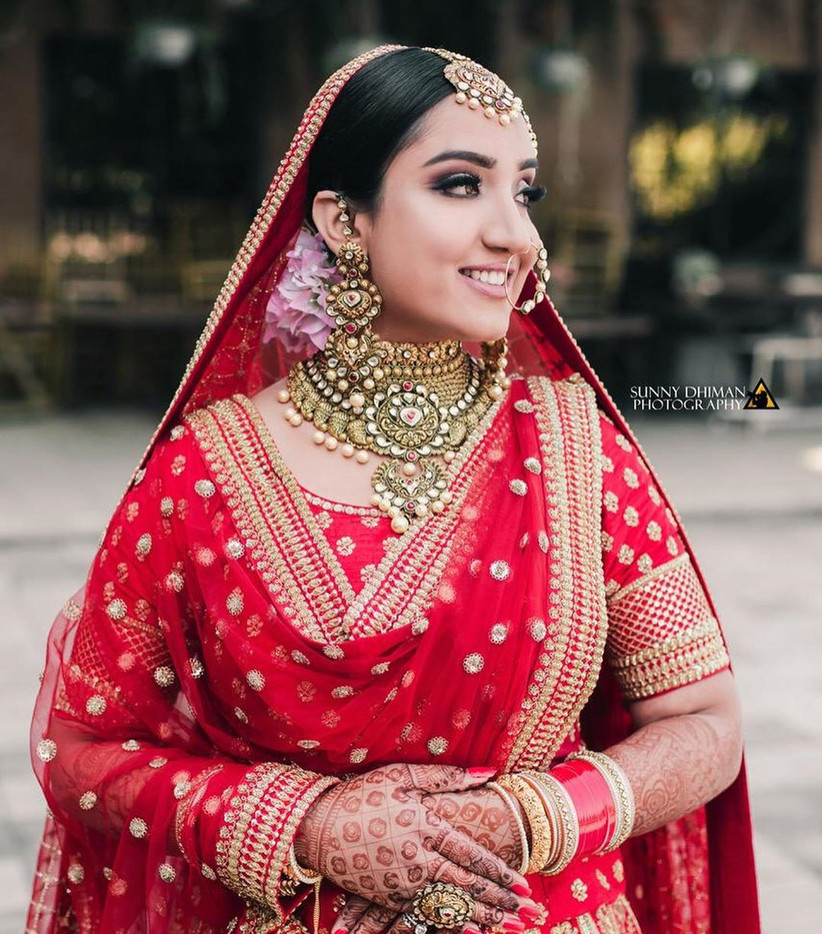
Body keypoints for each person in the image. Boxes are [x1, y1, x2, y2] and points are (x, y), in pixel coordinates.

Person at [26, 45, 761, 934]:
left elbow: (705, 724)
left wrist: (521, 819)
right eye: (460, 184)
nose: (517, 234)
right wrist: (311, 825)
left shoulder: (579, 453)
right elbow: (86, 750)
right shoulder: (202, 474)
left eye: (523, 192)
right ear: (343, 220)